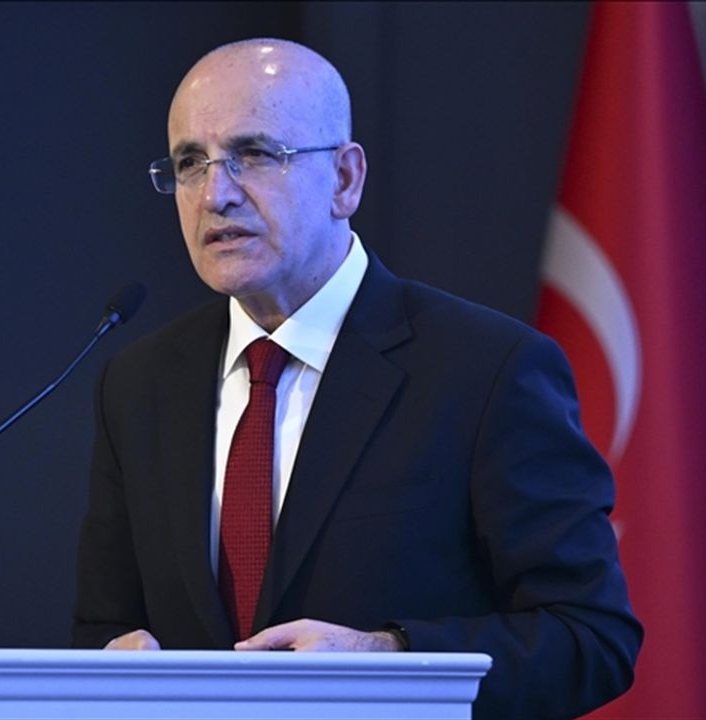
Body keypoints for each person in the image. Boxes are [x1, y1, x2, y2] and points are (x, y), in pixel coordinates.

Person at [72, 38, 641, 719]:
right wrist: (112, 662)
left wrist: (389, 657)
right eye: (191, 163)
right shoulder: (138, 385)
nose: (215, 195)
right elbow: (103, 627)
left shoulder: (487, 370)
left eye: (255, 154)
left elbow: (590, 637)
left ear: (345, 179)